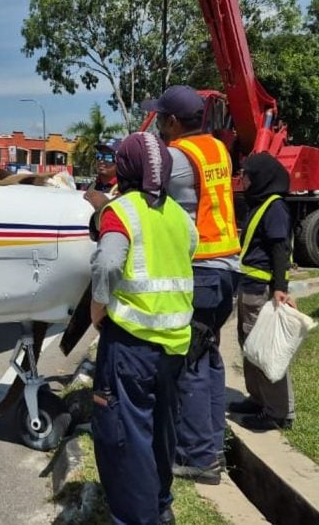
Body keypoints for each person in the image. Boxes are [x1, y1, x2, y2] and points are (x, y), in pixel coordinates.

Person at [89, 131, 198, 525]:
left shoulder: (123, 210)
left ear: (125, 168)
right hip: (174, 346)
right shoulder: (181, 217)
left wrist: (97, 307)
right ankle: (160, 504)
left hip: (131, 347)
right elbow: (186, 256)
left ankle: (138, 517)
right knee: (161, 431)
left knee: (124, 437)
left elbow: (107, 263)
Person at [141, 85, 239, 484]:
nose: (160, 126)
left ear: (175, 122)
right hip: (227, 268)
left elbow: (145, 198)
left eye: (162, 119)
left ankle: (198, 459)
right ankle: (211, 446)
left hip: (200, 272)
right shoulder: (217, 149)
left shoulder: (178, 159)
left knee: (191, 365)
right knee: (209, 360)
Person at [231, 153, 295, 431]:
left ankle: (279, 412)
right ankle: (258, 400)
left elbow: (280, 250)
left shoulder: (275, 207)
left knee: (267, 351)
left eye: (246, 175)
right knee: (251, 348)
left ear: (260, 178)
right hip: (249, 288)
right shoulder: (258, 204)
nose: (242, 179)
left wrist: (279, 289)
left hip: (262, 290)